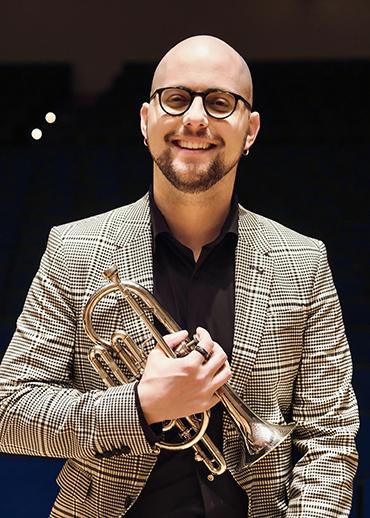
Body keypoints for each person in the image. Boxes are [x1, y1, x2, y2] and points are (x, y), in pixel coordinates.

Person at [0, 35, 359, 518]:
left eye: (219, 102)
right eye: (176, 99)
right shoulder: (74, 249)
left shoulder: (303, 260)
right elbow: (10, 413)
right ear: (146, 120)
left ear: (250, 130)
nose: (195, 118)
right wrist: (142, 405)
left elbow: (329, 438)